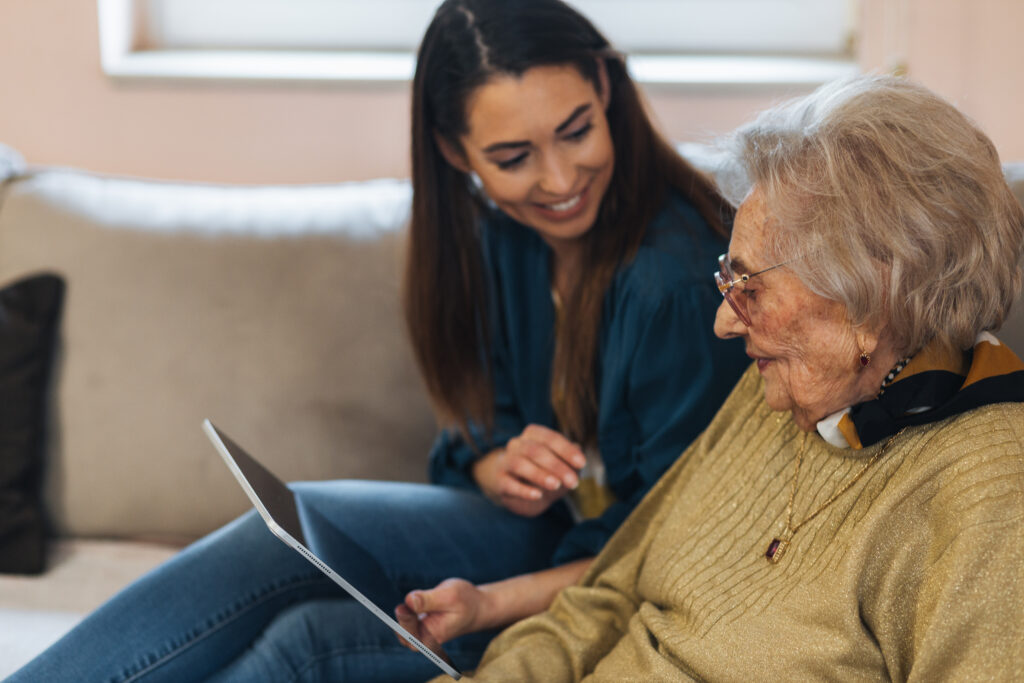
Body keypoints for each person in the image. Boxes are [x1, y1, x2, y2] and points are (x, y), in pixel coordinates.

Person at [7, 1, 748, 680]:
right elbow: (467, 441)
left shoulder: (672, 283)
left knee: (304, 640)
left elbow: (667, 546)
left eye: (576, 129)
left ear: (604, 86)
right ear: (456, 154)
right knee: (286, 534)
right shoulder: (502, 235)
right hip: (537, 535)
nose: (559, 179)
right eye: (513, 157)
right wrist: (498, 466)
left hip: (605, 585)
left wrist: (491, 603)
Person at [420, 74, 1024, 681]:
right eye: (727, 280)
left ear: (872, 302)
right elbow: (605, 595)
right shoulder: (784, 389)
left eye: (751, 289)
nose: (722, 324)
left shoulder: (987, 495)